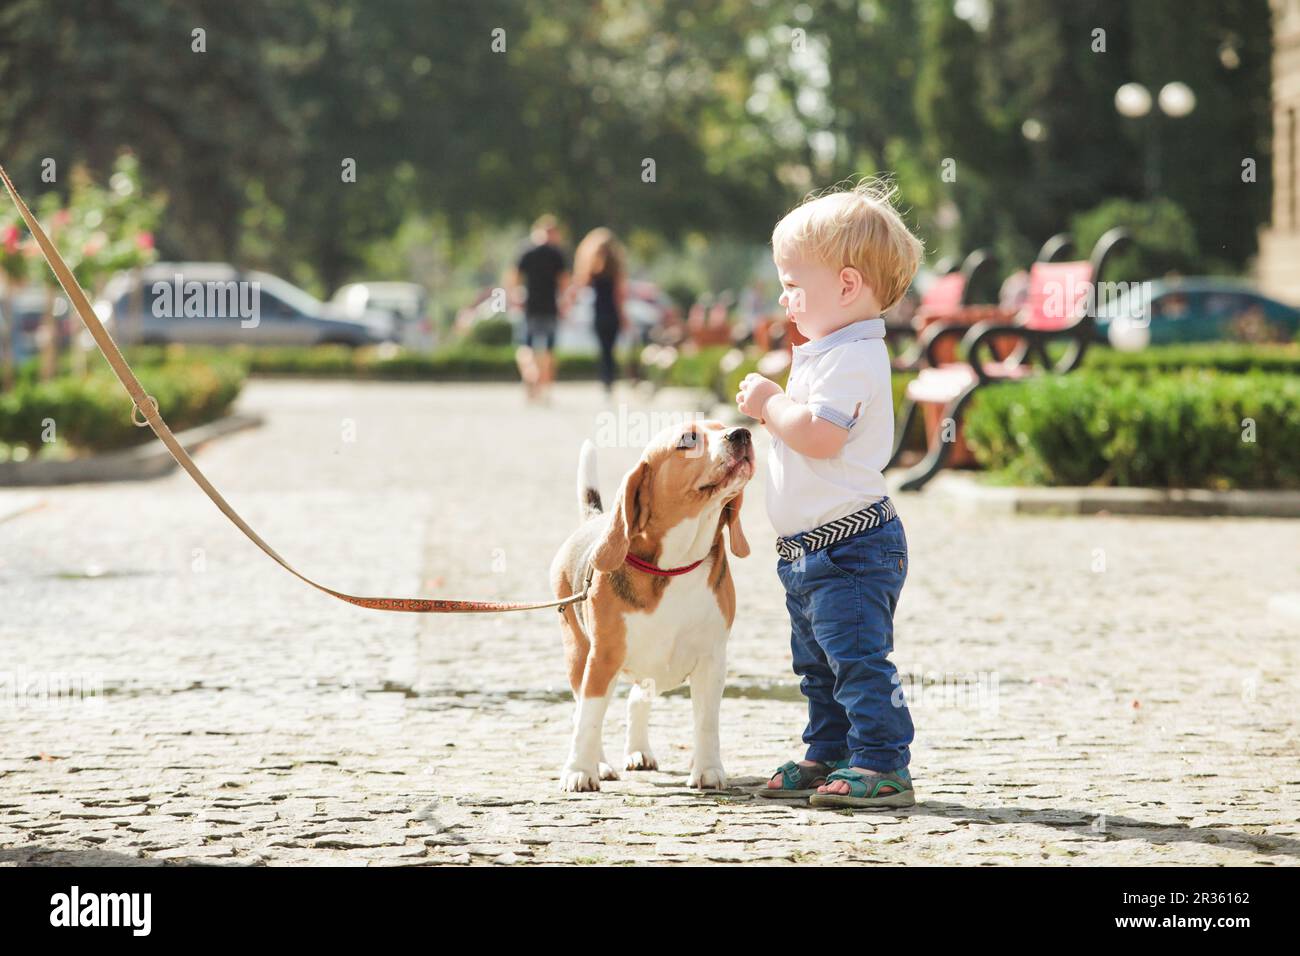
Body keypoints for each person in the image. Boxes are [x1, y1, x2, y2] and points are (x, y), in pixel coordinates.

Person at [735, 179, 924, 809]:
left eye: (793, 284)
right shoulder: (826, 352)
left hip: (852, 548)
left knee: (859, 660)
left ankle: (882, 759)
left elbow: (817, 437)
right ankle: (829, 748)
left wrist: (769, 402)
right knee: (817, 665)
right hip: (808, 550)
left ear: (846, 286)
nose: (785, 298)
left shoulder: (855, 359)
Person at [511, 215, 569, 402]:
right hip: (550, 307)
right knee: (549, 351)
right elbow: (564, 283)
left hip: (529, 307)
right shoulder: (556, 253)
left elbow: (513, 278)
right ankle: (545, 388)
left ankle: (531, 373)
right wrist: (565, 304)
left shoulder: (526, 251)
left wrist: (515, 296)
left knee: (525, 347)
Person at [571, 227, 629, 395]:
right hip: (612, 314)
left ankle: (606, 379)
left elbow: (578, 287)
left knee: (603, 349)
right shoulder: (616, 268)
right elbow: (619, 295)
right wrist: (624, 316)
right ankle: (610, 379)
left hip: (598, 313)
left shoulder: (591, 269)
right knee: (610, 349)